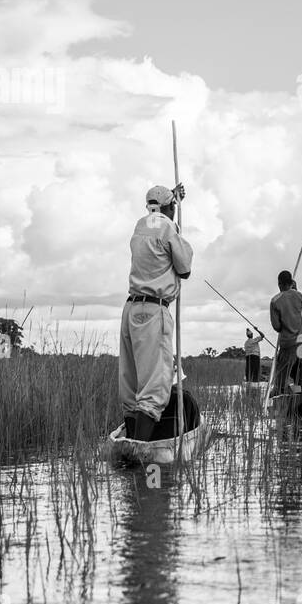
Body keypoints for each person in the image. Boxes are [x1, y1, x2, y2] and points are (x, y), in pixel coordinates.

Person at [119, 183, 192, 440]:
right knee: (155, 387)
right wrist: (174, 212)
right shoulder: (168, 226)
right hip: (154, 311)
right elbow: (184, 269)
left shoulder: (140, 225)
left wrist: (174, 201)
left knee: (131, 384)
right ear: (169, 208)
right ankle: (140, 451)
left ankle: (128, 444)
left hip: (131, 309)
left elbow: (158, 222)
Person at [269, 270, 302, 396]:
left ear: (279, 284)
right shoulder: (299, 295)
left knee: (281, 375)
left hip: (288, 341)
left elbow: (277, 326)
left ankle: (281, 394)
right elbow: (297, 297)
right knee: (301, 367)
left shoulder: (275, 301)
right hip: (301, 338)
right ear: (291, 282)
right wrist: (294, 288)